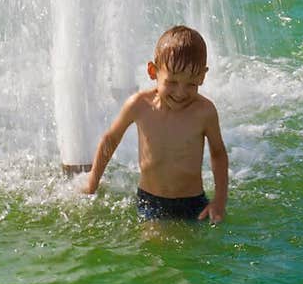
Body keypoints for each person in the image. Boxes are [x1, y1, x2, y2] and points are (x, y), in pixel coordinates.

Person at [83, 24, 228, 223]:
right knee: (155, 245)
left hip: (193, 202)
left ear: (203, 76)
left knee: (194, 251)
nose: (181, 92)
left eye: (191, 84)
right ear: (153, 71)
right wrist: (92, 182)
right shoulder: (139, 105)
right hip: (151, 201)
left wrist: (219, 201)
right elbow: (111, 139)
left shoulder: (204, 112)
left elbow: (218, 153)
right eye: (172, 82)